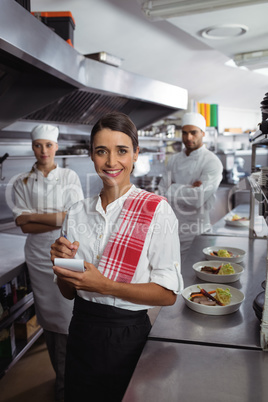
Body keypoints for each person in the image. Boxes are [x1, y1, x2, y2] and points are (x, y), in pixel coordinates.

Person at [50, 112, 184, 402]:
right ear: (91, 156)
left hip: (129, 334)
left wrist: (104, 285)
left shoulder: (156, 210)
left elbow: (167, 294)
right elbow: (68, 292)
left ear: (135, 154)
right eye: (102, 151)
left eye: (122, 151)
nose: (112, 162)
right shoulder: (76, 212)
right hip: (82, 331)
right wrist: (61, 266)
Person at [12, 124, 84, 402]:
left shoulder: (69, 176)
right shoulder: (22, 181)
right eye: (38, 145)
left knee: (71, 314)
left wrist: (34, 217)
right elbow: (22, 224)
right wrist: (56, 217)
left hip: (67, 252)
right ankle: (63, 383)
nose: (44, 151)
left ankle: (74, 381)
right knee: (51, 321)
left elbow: (73, 217)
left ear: (56, 147)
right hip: (38, 257)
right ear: (33, 148)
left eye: (48, 145)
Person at [158, 112, 223, 261]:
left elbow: (197, 199)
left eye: (193, 132)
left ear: (202, 133)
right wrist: (189, 188)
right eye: (185, 133)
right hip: (172, 230)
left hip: (198, 232)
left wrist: (173, 187)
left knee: (195, 277)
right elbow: (161, 193)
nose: (188, 138)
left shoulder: (211, 162)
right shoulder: (173, 160)